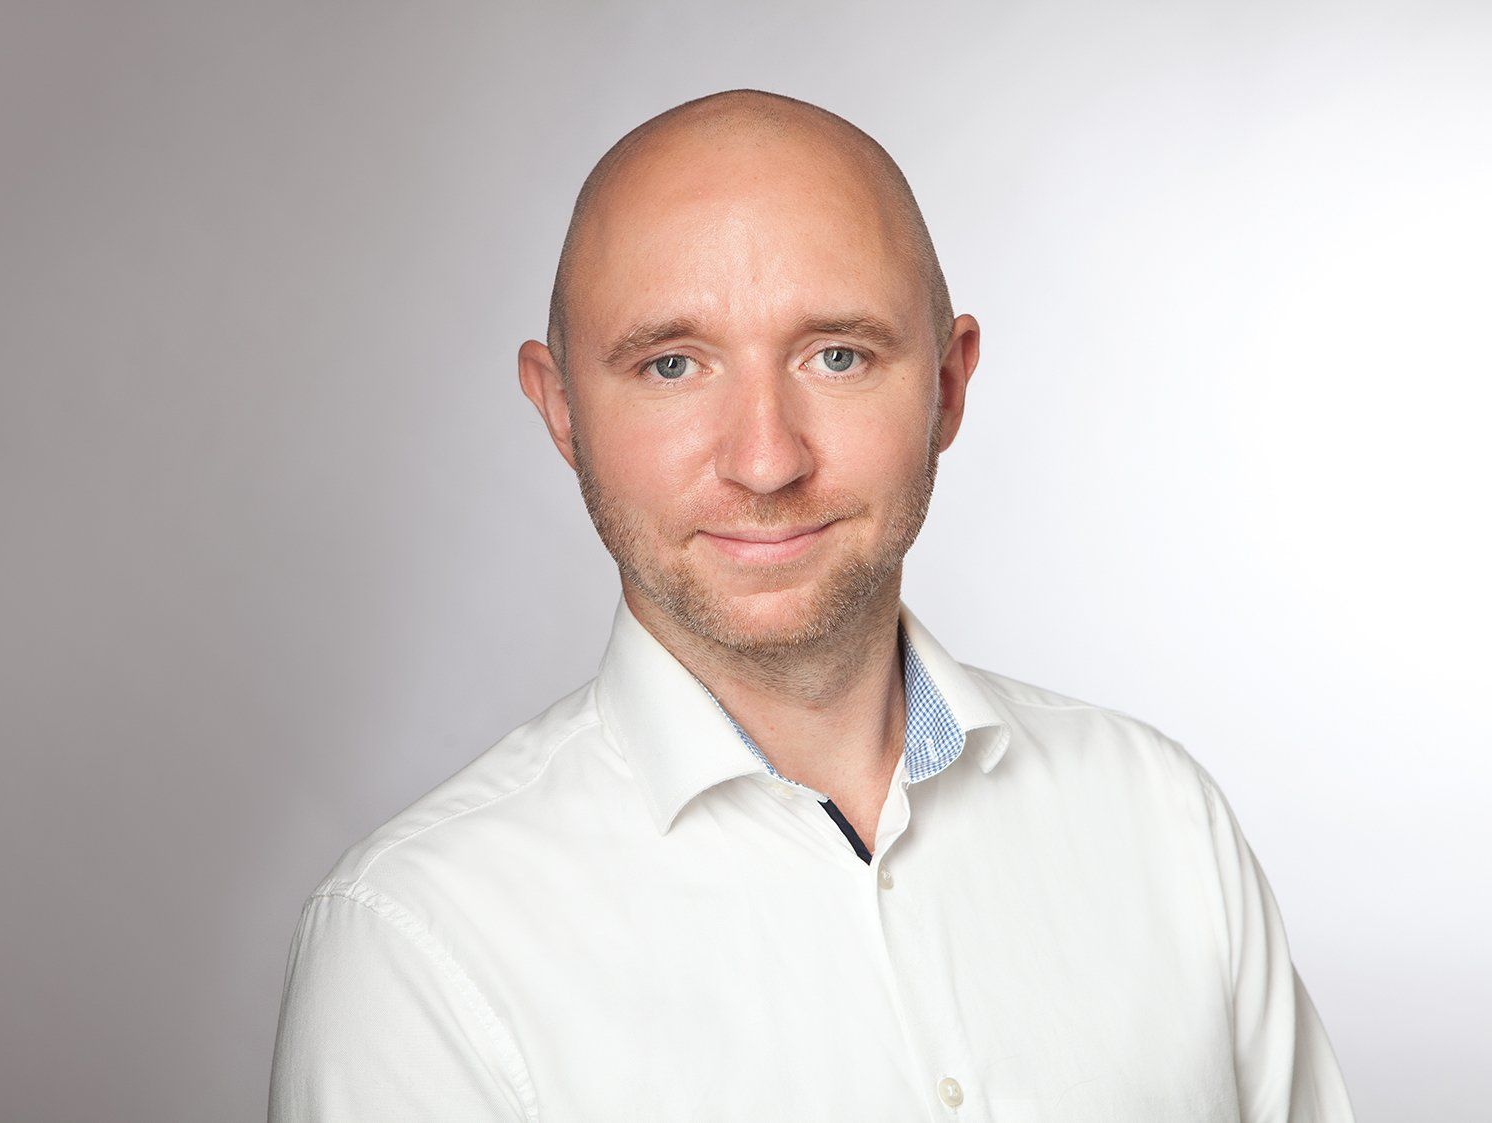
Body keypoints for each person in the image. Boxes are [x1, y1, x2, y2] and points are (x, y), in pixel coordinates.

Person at [267, 88, 1355, 1122]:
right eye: (671, 366)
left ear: (946, 386)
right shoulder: (421, 944)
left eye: (837, 356)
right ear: (561, 411)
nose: (765, 459)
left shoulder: (1159, 821)